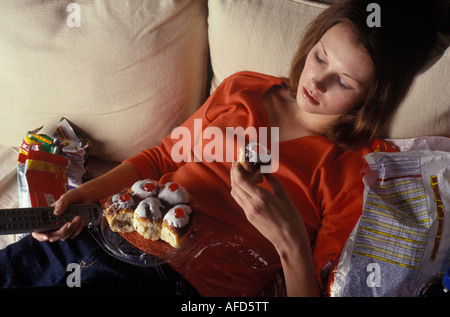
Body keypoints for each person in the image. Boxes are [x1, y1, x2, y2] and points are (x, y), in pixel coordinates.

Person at [0, 0, 435, 296]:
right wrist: (83, 195)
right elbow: (162, 157)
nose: (316, 82)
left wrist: (288, 241)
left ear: (370, 97)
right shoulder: (243, 87)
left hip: (174, 284)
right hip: (104, 232)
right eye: (320, 57)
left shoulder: (353, 172)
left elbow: (320, 289)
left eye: (343, 82)